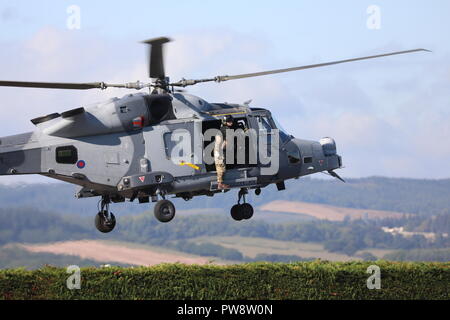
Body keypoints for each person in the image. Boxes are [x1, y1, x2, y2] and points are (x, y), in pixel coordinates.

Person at [214, 115, 235, 190]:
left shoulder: (222, 129)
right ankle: (220, 184)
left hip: (218, 150)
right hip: (219, 151)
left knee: (220, 166)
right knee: (221, 167)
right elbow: (227, 141)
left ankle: (220, 183)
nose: (231, 123)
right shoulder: (226, 129)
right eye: (230, 121)